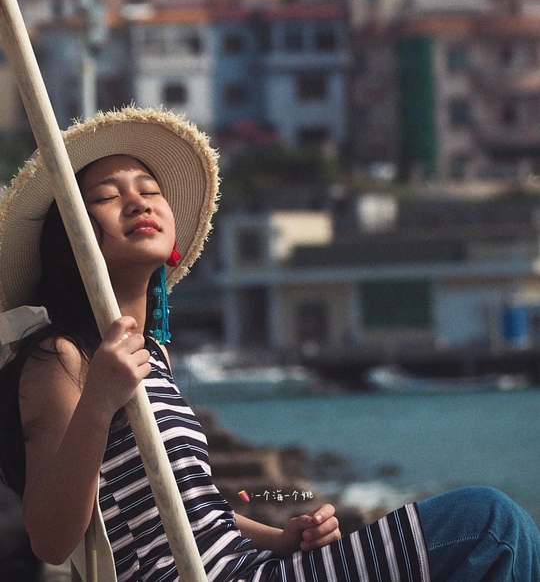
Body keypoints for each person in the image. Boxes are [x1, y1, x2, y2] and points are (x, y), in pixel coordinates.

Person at [0, 106, 538, 582]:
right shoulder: (64, 359)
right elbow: (50, 535)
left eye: (149, 188)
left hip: (248, 565)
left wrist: (277, 538)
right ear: (70, 243)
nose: (137, 200)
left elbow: (187, 506)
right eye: (105, 196)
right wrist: (97, 400)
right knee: (489, 524)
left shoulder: (151, 357)